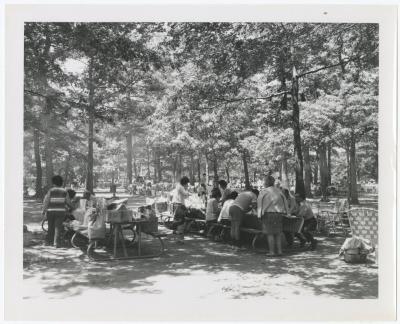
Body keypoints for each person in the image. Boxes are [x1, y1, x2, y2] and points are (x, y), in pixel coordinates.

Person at [257, 175, 289, 257]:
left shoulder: (264, 191)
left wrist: (259, 215)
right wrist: (287, 213)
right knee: (278, 233)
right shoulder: (279, 191)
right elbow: (285, 202)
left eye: (264, 181)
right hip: (278, 214)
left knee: (270, 234)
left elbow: (259, 204)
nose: (264, 182)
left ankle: (272, 252)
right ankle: (279, 251)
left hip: (268, 214)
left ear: (266, 182)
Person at [42, 175, 73, 247]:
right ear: (61, 183)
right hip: (60, 212)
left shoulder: (51, 190)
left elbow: (46, 201)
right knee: (58, 227)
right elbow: (68, 202)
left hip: (50, 211)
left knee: (50, 226)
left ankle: (48, 242)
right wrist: (72, 207)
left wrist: (44, 210)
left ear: (53, 183)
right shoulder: (64, 191)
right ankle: (56, 243)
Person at [171, 176, 191, 243]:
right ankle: (180, 239)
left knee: (176, 222)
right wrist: (189, 193)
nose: (187, 185)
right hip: (179, 206)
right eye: (187, 183)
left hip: (176, 205)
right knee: (181, 222)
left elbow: (183, 196)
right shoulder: (181, 187)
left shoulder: (178, 186)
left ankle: (175, 238)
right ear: (184, 183)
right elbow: (185, 194)